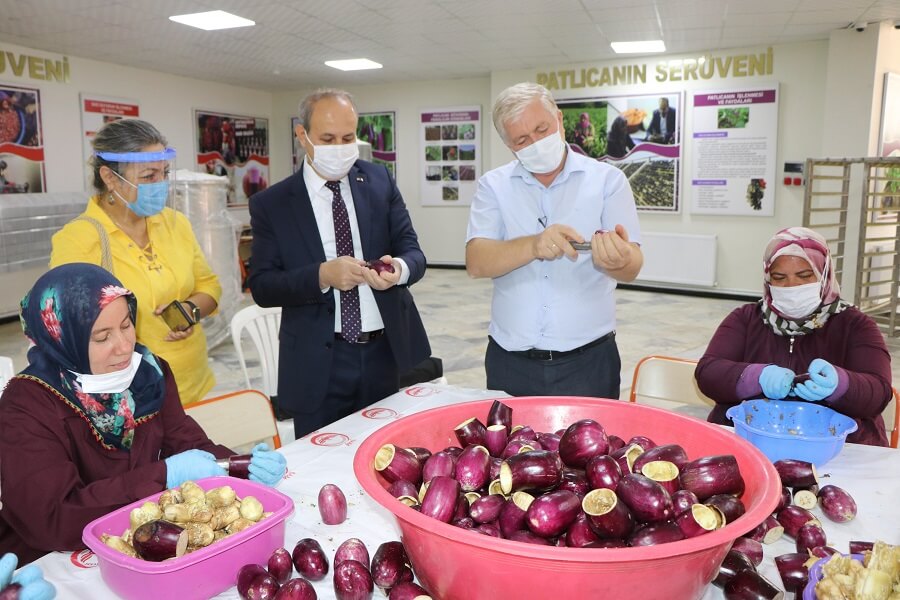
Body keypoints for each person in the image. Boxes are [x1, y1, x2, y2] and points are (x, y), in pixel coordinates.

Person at [248, 88, 431, 439]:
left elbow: (413, 251)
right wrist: (322, 275)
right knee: (321, 461)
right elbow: (263, 285)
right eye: (328, 138)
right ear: (303, 136)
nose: (340, 147)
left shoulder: (378, 180)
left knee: (388, 458)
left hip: (385, 352)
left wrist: (399, 271)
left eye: (348, 137)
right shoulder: (273, 204)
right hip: (319, 361)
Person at [466, 82, 643, 398]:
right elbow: (477, 261)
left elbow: (632, 267)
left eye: (542, 129)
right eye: (522, 140)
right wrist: (533, 245)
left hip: (589, 361)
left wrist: (619, 260)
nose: (535, 143)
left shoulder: (607, 181)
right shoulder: (493, 186)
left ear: (559, 120)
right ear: (509, 146)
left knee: (595, 446)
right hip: (510, 361)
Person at [50, 119, 222, 406]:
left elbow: (209, 286)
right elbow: (67, 326)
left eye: (165, 173)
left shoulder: (174, 223)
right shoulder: (79, 239)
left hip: (194, 383)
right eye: (148, 176)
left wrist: (188, 311)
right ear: (110, 177)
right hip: (131, 397)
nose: (161, 184)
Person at [696, 227, 893, 446]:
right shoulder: (746, 319)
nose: (792, 286)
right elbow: (708, 373)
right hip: (750, 442)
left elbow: (878, 393)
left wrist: (841, 385)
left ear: (824, 273)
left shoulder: (855, 325)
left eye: (804, 276)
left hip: (840, 447)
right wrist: (754, 377)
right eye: (779, 277)